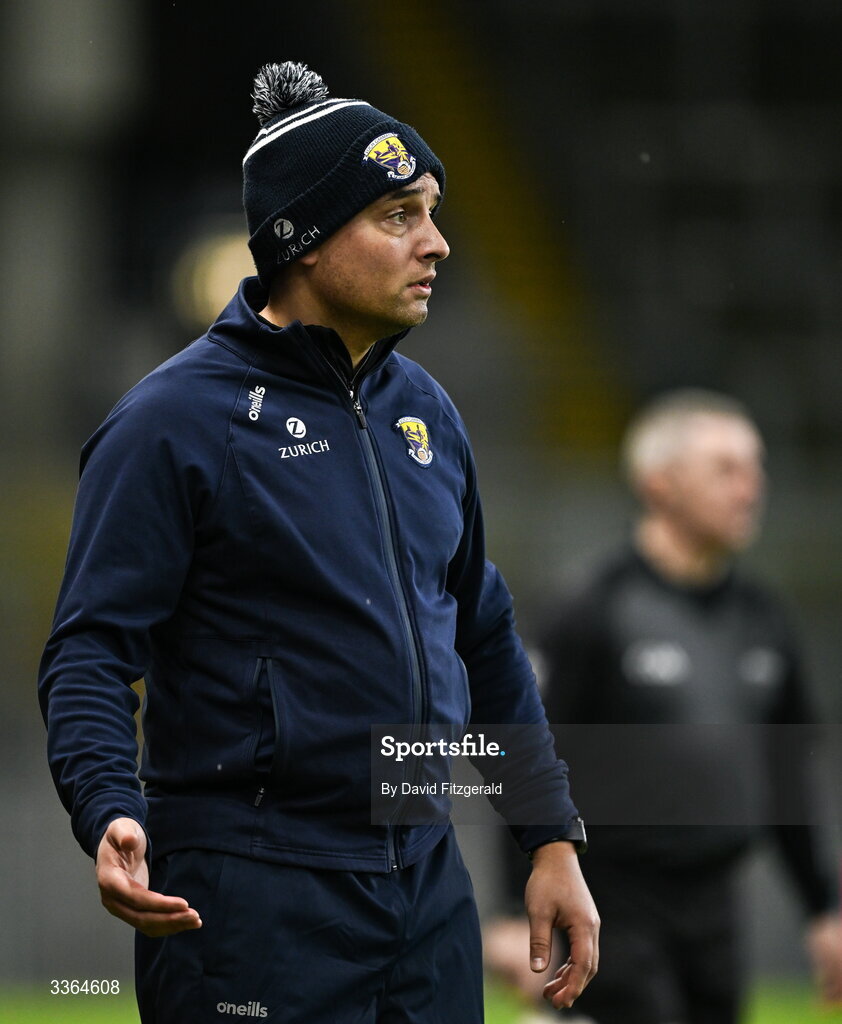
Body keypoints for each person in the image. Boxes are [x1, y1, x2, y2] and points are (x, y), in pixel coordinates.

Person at [38, 61, 598, 1023]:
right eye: (398, 217)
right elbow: (89, 649)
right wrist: (108, 805)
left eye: (433, 210)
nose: (439, 243)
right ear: (300, 239)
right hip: (251, 895)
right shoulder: (171, 421)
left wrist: (549, 838)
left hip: (426, 884)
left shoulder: (426, 413)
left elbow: (485, 632)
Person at [485, 389, 842, 1024]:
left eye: (755, 468)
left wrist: (824, 907)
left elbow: (787, 775)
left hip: (718, 917)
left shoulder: (763, 618)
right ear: (660, 484)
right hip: (613, 910)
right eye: (725, 469)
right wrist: (515, 912)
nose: (751, 488)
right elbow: (521, 758)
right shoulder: (591, 609)